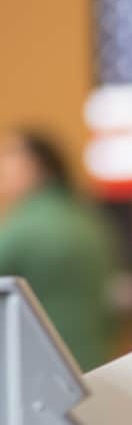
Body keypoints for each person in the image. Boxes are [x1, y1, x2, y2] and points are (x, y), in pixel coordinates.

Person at [0, 129, 118, 371]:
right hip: (92, 361)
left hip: (38, 367)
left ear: (36, 164)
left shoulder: (24, 226)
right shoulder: (88, 219)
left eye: (9, 154)